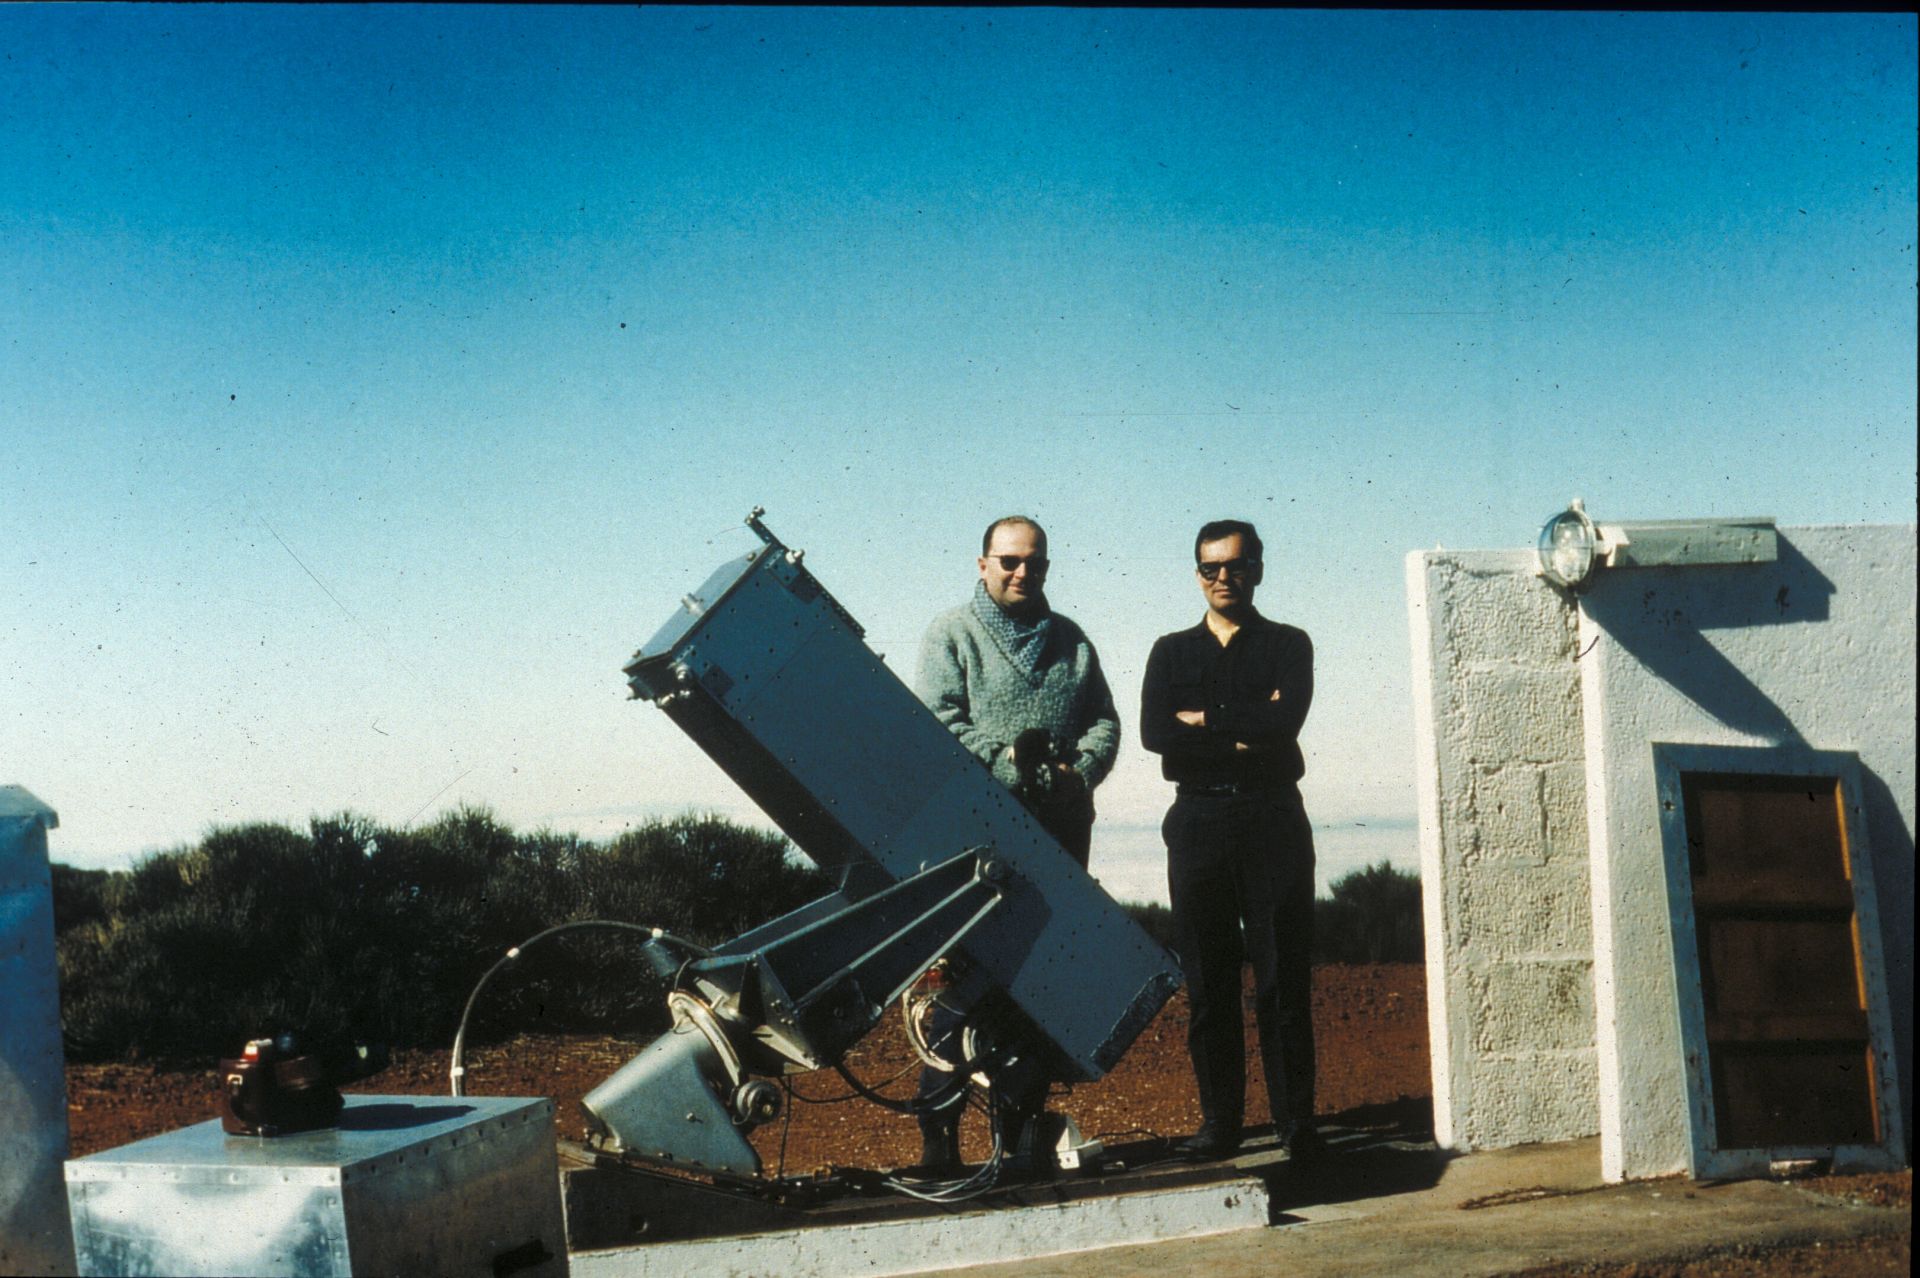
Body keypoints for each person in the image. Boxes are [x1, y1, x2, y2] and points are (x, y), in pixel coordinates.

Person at [909, 514, 1121, 1171]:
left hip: (1060, 836)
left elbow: (1105, 721)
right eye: (1008, 561)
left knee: (1037, 988)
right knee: (961, 988)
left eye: (1034, 562)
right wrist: (1007, 765)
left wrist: (1079, 772)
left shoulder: (1072, 641)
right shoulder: (952, 633)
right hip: (977, 841)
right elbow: (938, 722)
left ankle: (1020, 1139)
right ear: (982, 564)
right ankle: (939, 1144)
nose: (1021, 572)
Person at [1140, 519, 1321, 1161]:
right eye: (1212, 568)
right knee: (1208, 982)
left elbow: (1286, 719)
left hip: (1272, 819)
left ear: (1259, 570)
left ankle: (1296, 1125)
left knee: (1281, 979)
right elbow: (1155, 734)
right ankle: (1221, 1124)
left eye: (1237, 566)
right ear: (1197, 574)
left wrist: (1205, 719)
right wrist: (1246, 724)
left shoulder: (1288, 644)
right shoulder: (1170, 651)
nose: (1224, 579)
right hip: (1198, 825)